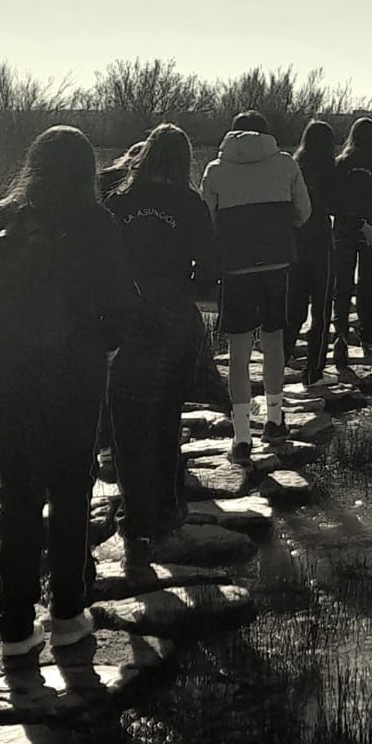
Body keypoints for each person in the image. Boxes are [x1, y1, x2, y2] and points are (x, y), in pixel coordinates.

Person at [0, 128, 130, 657]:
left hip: (6, 373)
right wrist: (107, 345)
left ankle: (16, 628)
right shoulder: (96, 223)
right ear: (87, 170)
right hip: (76, 371)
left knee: (17, 494)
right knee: (72, 489)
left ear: (33, 164)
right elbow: (123, 308)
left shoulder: (2, 217)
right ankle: (68, 614)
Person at [100, 125, 218, 568]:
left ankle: (135, 518)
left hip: (126, 320)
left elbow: (102, 269)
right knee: (167, 416)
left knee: (125, 421)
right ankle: (167, 511)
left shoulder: (117, 202)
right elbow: (210, 270)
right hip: (173, 321)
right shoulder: (190, 204)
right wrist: (181, 288)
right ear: (183, 160)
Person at [201, 112, 311, 456]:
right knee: (274, 341)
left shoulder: (215, 170)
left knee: (238, 352)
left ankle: (242, 436)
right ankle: (275, 421)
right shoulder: (286, 164)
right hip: (277, 264)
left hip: (235, 268)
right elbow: (304, 212)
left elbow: (208, 220)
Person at [331, 119, 372, 360]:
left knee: (342, 284)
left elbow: (335, 202)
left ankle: (341, 335)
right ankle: (368, 337)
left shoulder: (340, 164)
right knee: (366, 283)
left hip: (343, 230)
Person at [291, 121, 339, 384]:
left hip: (295, 244)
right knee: (321, 310)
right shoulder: (329, 170)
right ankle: (314, 371)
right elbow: (336, 205)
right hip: (320, 243)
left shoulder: (295, 167)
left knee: (294, 309)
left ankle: (280, 364)